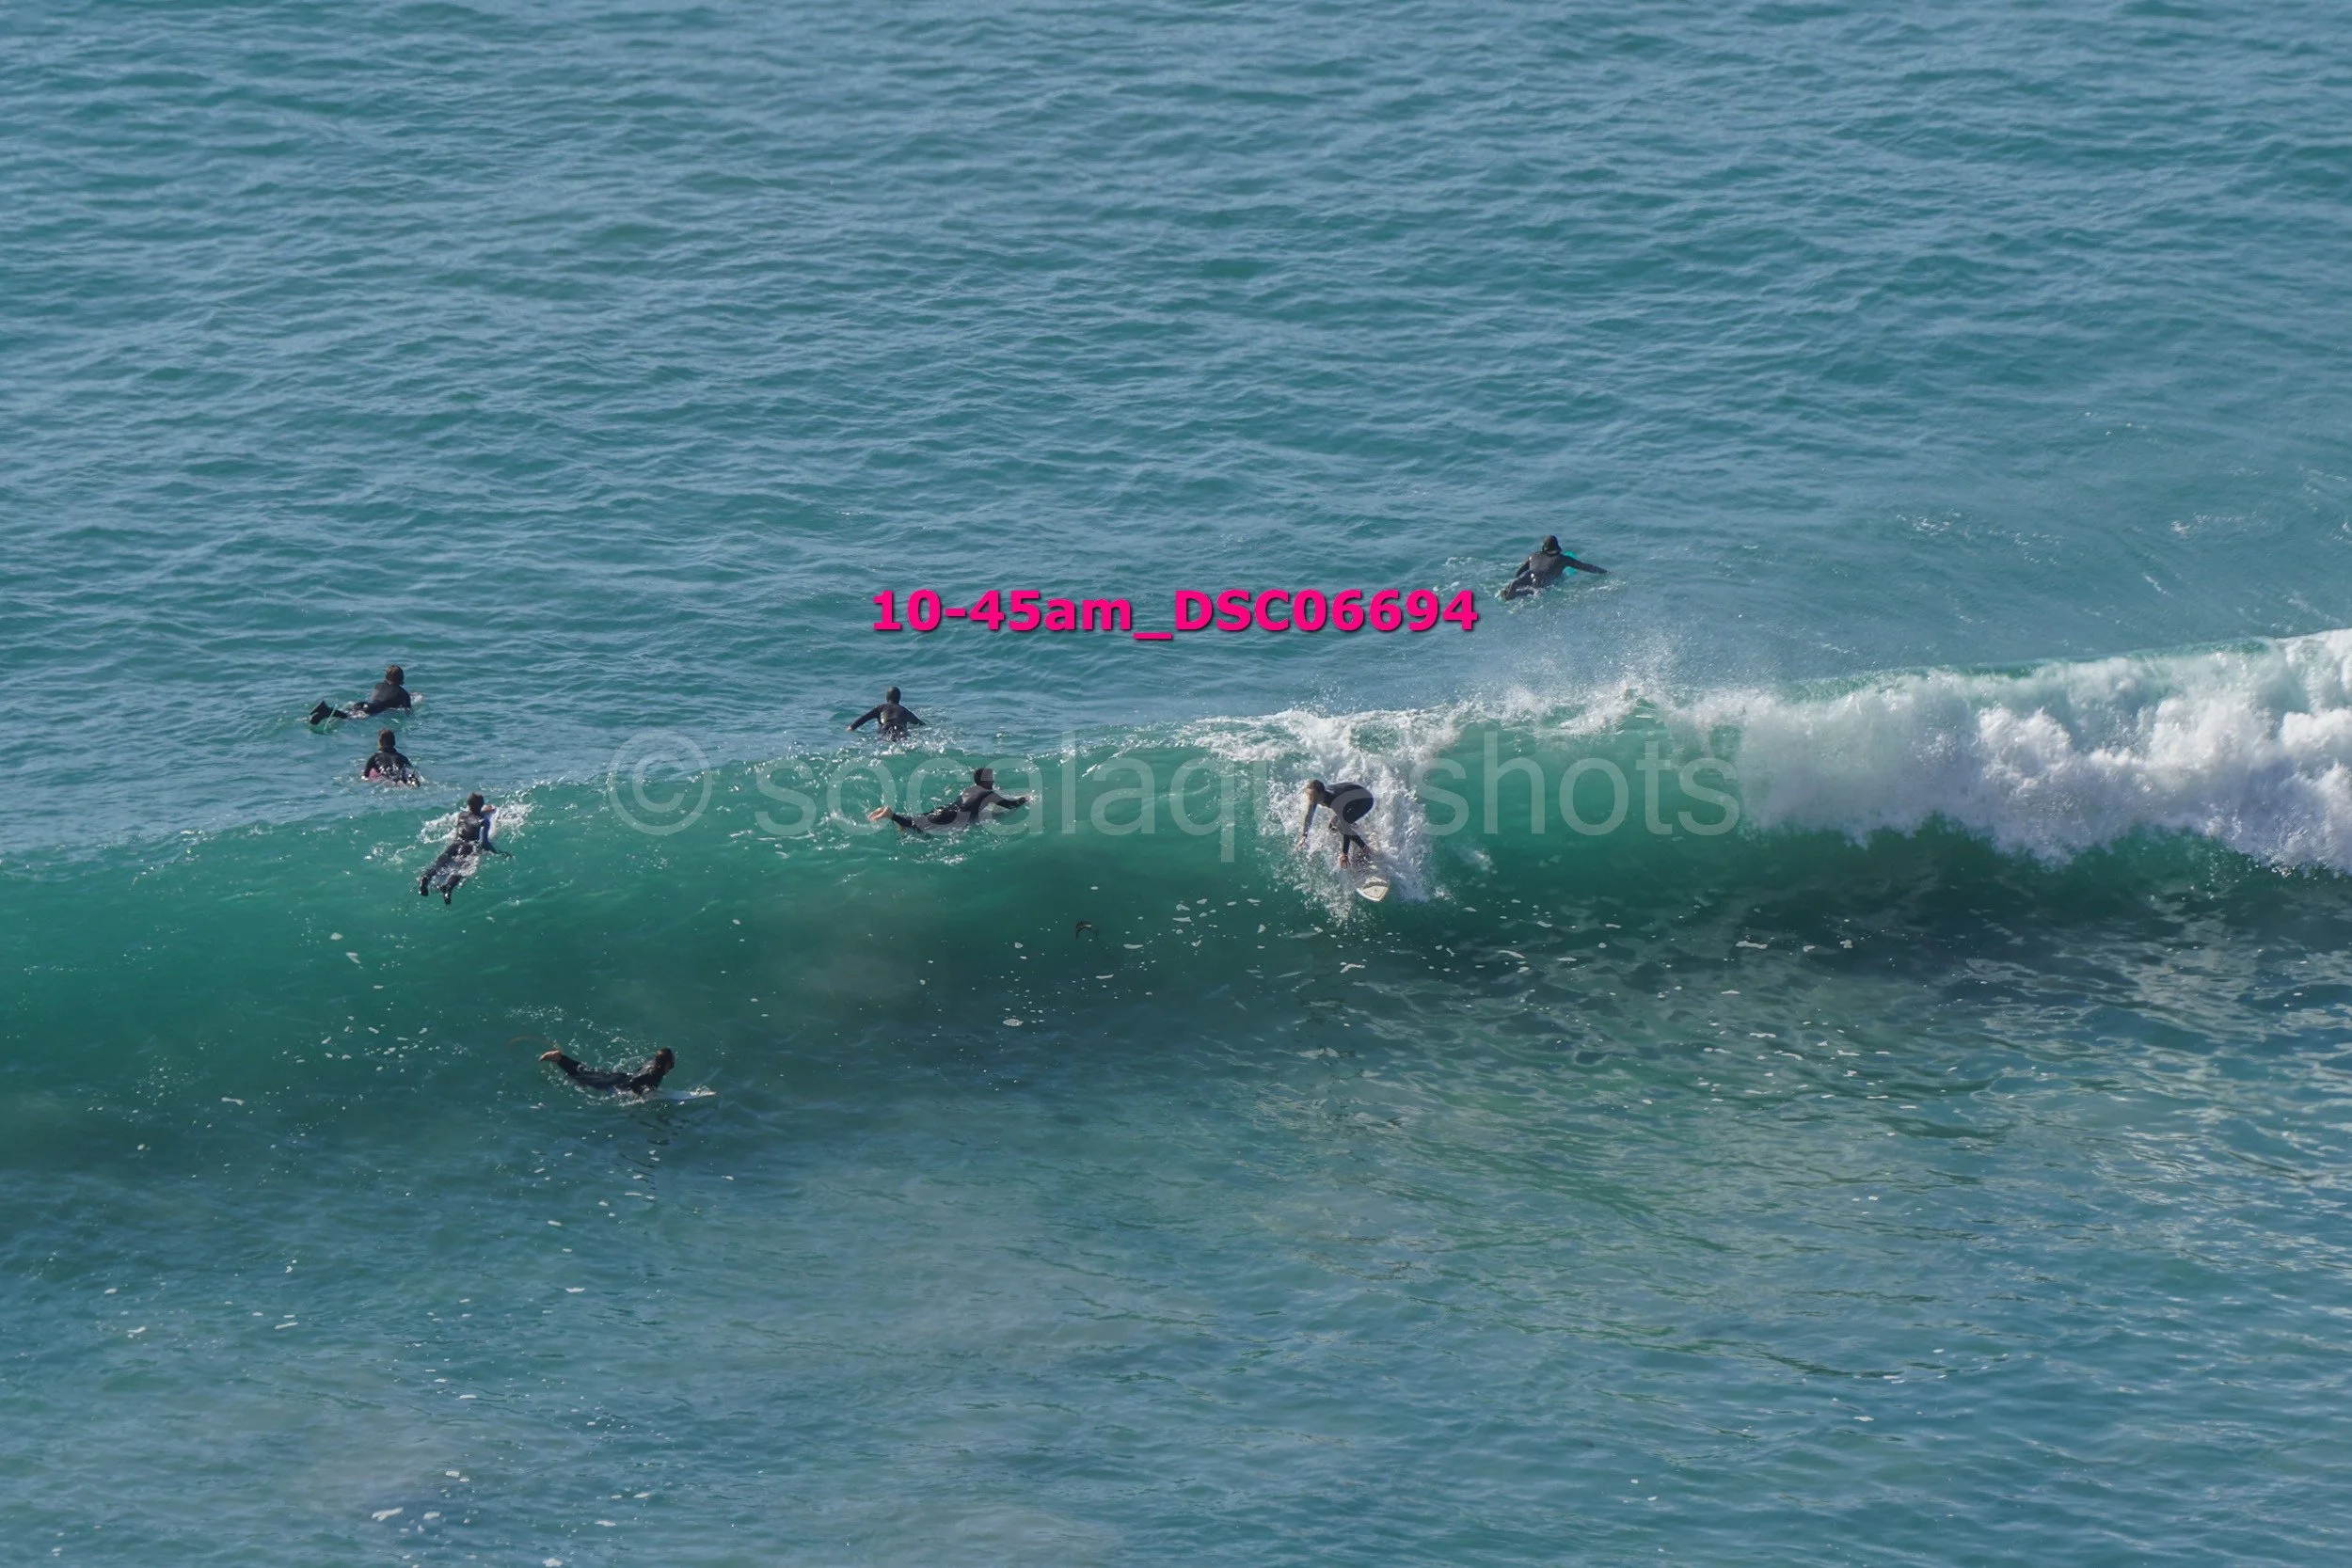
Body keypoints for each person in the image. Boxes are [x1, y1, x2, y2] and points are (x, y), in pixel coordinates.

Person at [869, 767, 1027, 833]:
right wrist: (1025, 799)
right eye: (991, 780)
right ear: (985, 782)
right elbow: (1010, 805)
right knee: (918, 826)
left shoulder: (970, 790)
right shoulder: (988, 793)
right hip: (950, 817)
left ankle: (895, 818)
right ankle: (891, 815)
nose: (993, 782)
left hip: (945, 810)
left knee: (918, 822)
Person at [418, 792, 507, 903]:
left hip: (454, 845)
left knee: (439, 863)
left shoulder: (461, 814)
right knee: (461, 870)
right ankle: (448, 888)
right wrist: (499, 853)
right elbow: (484, 843)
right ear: (481, 804)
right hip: (468, 847)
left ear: (468, 804)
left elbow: (473, 813)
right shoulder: (483, 821)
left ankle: (425, 878)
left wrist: (484, 809)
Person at [1499, 536, 1607, 599]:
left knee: (1520, 583)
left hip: (1527, 576)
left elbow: (1518, 573)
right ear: (1557, 547)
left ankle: (1509, 591)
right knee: (1536, 591)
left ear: (1543, 548)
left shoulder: (1533, 556)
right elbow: (1585, 567)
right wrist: (1604, 572)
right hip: (1542, 583)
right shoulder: (1562, 559)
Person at [1300, 778, 1375, 865]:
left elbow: (1345, 826)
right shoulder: (1316, 797)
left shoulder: (1335, 801)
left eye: (1312, 796)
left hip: (1365, 800)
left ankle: (1365, 848)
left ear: (1321, 793)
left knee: (1340, 826)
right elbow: (1309, 814)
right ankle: (1354, 824)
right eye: (1309, 795)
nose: (1310, 799)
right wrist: (1304, 836)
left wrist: (1344, 853)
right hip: (1351, 797)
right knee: (1332, 827)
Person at [540, 1046, 675, 1095]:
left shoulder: (652, 1063)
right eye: (672, 1061)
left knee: (588, 1071)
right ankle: (559, 1059)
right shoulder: (655, 1075)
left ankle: (561, 1058)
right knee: (584, 1078)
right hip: (619, 1084)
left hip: (621, 1076)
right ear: (667, 1064)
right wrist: (639, 1095)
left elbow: (638, 1073)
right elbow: (635, 1081)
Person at [310, 666, 414, 725]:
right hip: (373, 708)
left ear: (386, 676)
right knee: (348, 718)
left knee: (347, 714)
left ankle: (324, 713)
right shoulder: (403, 694)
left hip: (363, 704)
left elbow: (378, 696)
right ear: (401, 678)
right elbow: (408, 712)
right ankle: (326, 710)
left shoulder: (379, 685)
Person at [849, 687, 923, 742]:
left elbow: (865, 718)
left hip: (886, 728)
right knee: (902, 740)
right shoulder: (904, 710)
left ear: (887, 698)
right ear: (899, 698)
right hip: (900, 729)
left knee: (886, 740)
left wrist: (852, 727)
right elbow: (918, 722)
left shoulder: (880, 708)